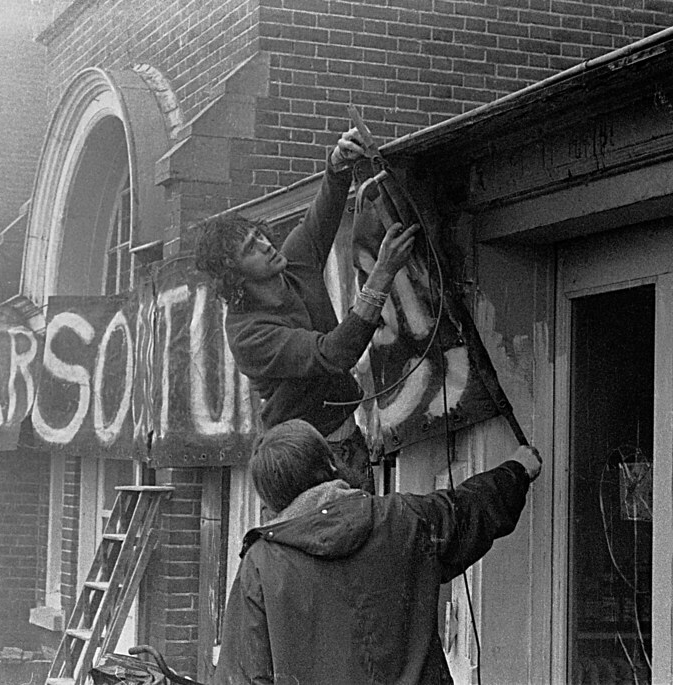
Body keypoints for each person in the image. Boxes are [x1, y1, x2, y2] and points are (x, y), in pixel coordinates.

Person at [212, 419, 542, 685]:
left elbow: (241, 676)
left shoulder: (261, 564)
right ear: (330, 463)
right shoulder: (404, 519)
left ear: (270, 498)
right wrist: (517, 470)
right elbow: (470, 510)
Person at [194, 128, 419, 493]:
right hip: (299, 463)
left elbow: (323, 213)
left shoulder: (292, 261)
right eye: (252, 247)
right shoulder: (248, 334)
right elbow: (334, 355)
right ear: (234, 275)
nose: (266, 245)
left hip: (346, 441)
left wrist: (337, 164)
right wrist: (381, 274)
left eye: (260, 235)